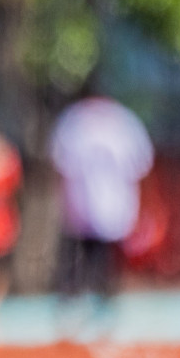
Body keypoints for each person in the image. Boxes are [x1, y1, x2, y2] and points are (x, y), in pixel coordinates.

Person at [49, 95, 153, 301]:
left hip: (112, 206)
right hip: (83, 207)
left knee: (107, 258)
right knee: (82, 255)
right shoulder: (75, 122)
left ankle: (103, 297)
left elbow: (140, 165)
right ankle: (79, 297)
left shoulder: (122, 123)